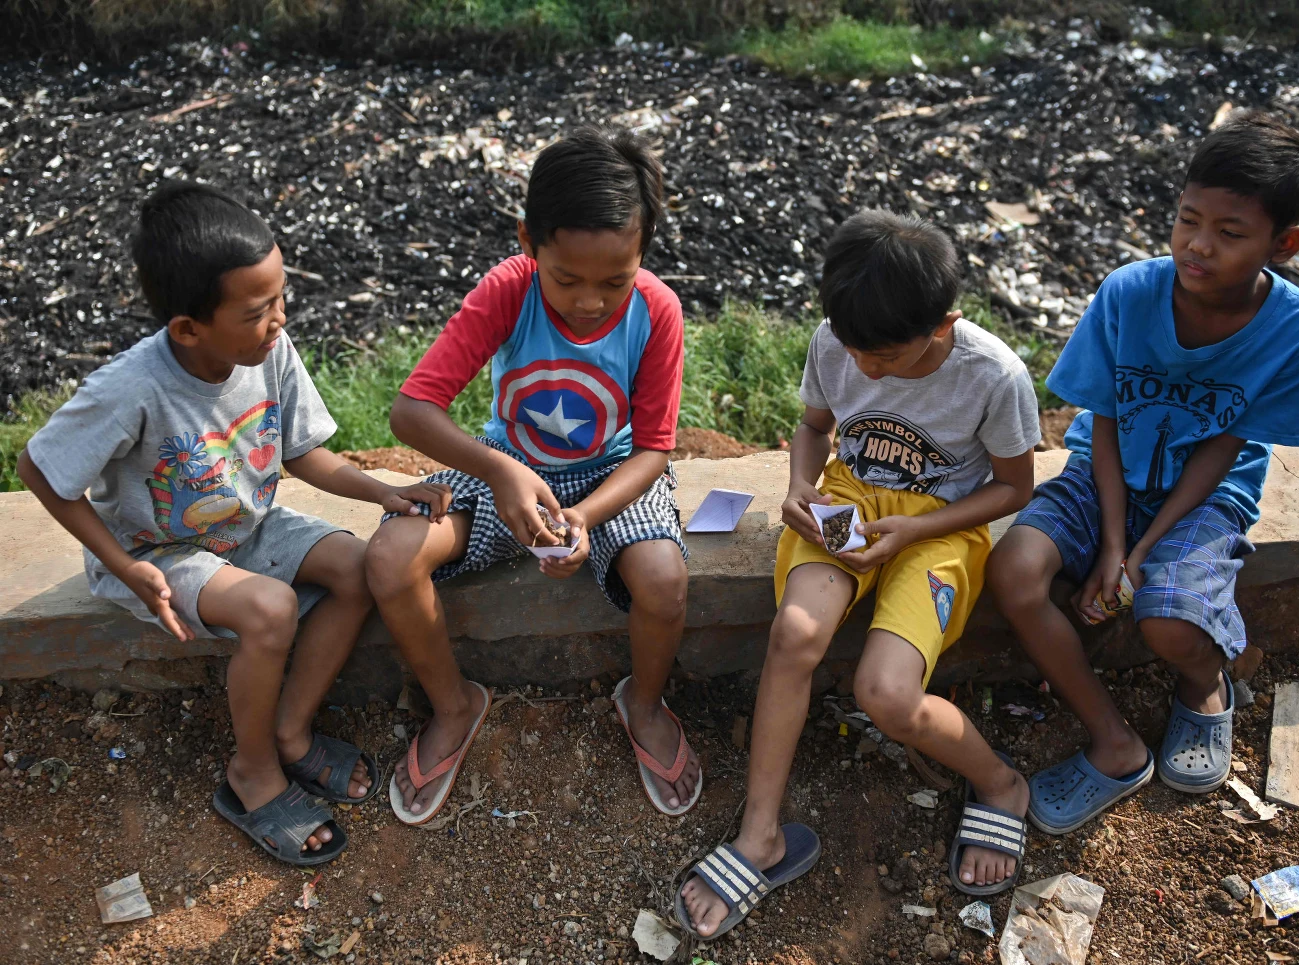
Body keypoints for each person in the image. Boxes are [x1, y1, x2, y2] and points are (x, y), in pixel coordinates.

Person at [17, 182, 447, 864]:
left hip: (246, 525)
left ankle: (291, 732)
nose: (279, 319)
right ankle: (251, 771)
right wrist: (123, 562)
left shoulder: (266, 350)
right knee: (271, 608)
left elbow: (304, 452)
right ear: (189, 327)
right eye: (258, 310)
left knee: (357, 568)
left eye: (279, 299)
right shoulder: (131, 387)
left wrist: (380, 491)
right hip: (158, 549)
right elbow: (39, 464)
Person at [676, 210, 1042, 938]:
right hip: (849, 501)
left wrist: (916, 529)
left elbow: (1012, 489)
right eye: (854, 350)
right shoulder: (835, 340)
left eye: (887, 357)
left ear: (945, 324)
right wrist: (799, 485)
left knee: (886, 693)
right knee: (795, 633)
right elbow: (814, 426)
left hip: (942, 524)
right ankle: (760, 835)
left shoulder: (993, 375)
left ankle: (1001, 783)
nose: (866, 368)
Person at [988, 111, 1299, 835]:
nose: (1197, 245)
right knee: (1016, 568)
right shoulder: (1130, 294)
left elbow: (1225, 446)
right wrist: (1114, 547)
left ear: (1286, 243)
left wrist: (1143, 557)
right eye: (1187, 220)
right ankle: (1114, 740)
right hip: (1103, 473)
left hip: (1208, 495)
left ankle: (1203, 684)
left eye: (1230, 233)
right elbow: (1107, 423)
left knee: (1170, 620)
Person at [364, 126, 699, 825]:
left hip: (611, 473)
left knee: (664, 581)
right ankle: (454, 704)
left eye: (615, 279)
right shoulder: (508, 291)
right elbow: (411, 411)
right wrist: (502, 470)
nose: (588, 301)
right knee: (392, 558)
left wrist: (585, 517)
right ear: (528, 241)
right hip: (503, 462)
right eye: (567, 278)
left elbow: (654, 450)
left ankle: (642, 702)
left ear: (643, 254)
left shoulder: (657, 310)